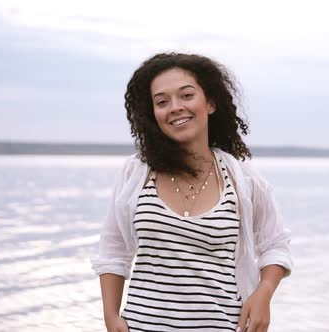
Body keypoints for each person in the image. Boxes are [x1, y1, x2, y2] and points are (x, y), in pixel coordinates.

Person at [91, 52, 293, 332]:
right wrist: (110, 316)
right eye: (162, 102)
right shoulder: (136, 173)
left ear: (210, 103)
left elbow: (275, 245)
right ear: (153, 113)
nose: (175, 107)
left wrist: (264, 292)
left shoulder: (243, 178)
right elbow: (113, 249)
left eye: (186, 95)